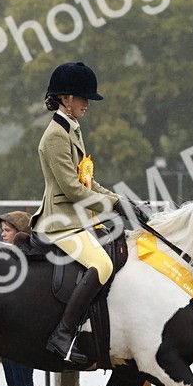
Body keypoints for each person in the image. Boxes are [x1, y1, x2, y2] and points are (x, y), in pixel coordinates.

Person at [32, 61, 135, 368]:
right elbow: (72, 190)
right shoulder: (55, 137)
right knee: (101, 264)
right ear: (65, 99)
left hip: (77, 218)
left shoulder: (72, 130)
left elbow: (86, 181)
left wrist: (121, 201)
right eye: (82, 98)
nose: (87, 104)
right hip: (59, 222)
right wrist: (112, 206)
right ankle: (63, 335)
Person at [0, 210, 39, 386]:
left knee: (24, 383)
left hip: (23, 333)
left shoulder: (28, 260)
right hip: (6, 333)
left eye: (8, 230)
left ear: (21, 233)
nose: (3, 235)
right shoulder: (3, 258)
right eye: (2, 230)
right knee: (13, 383)